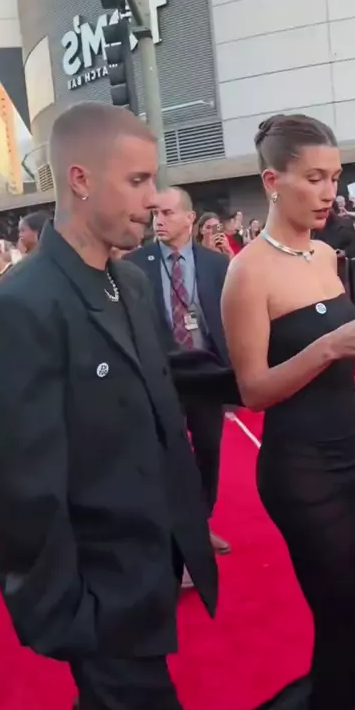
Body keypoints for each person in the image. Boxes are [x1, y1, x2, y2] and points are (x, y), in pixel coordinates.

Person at [0, 102, 219, 710]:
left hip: (152, 568)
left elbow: (167, 377)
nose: (153, 199)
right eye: (137, 180)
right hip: (100, 595)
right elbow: (19, 487)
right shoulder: (19, 307)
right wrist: (71, 613)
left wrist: (286, 366)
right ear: (81, 180)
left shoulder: (129, 284)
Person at [222, 113, 355, 710]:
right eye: (314, 178)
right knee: (346, 627)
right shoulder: (247, 273)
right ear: (272, 181)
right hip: (302, 476)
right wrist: (330, 345)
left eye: (334, 177)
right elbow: (254, 391)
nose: (329, 192)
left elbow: (335, 371)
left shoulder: (328, 254)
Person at [127, 188, 231, 566]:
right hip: (160, 373)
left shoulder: (216, 264)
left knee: (208, 449)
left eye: (168, 213)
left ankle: (200, 521)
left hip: (206, 371)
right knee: (167, 452)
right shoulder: (134, 265)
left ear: (190, 218)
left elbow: (229, 316)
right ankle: (176, 530)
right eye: (156, 213)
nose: (159, 220)